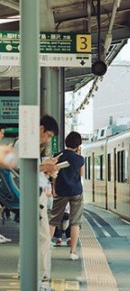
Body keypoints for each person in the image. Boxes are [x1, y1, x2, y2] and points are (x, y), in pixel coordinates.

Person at [14, 114, 60, 283]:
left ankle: (28, 271)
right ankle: (39, 275)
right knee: (42, 237)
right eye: (48, 135)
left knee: (34, 236)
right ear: (41, 129)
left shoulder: (28, 144)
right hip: (33, 195)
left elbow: (30, 168)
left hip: (37, 193)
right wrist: (44, 166)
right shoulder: (26, 143)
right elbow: (22, 168)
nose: (47, 140)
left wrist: (46, 168)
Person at [48, 131, 85, 261]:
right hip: (76, 191)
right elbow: (81, 174)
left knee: (53, 220)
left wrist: (53, 189)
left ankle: (46, 248)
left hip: (61, 191)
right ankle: (73, 252)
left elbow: (53, 175)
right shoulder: (80, 159)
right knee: (75, 222)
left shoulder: (58, 156)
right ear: (78, 144)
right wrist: (78, 155)